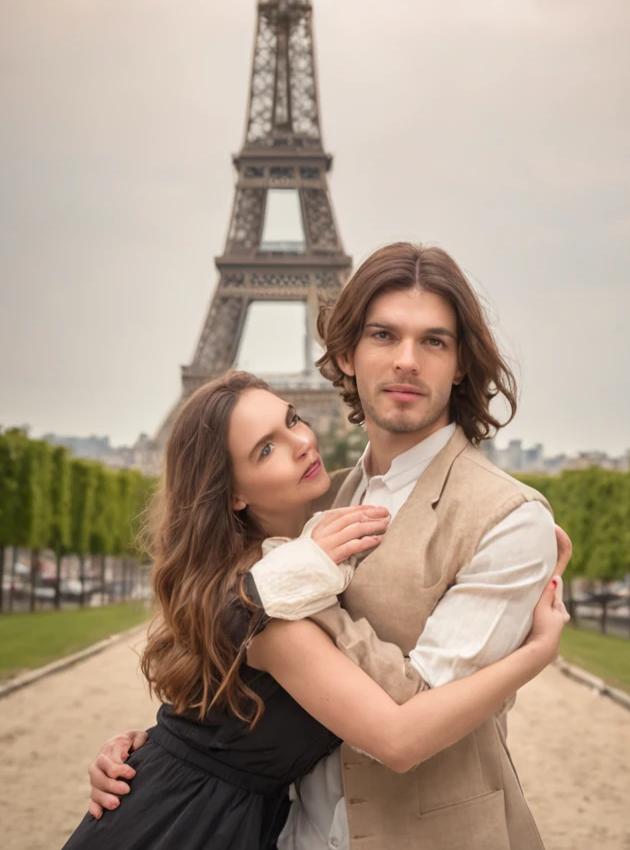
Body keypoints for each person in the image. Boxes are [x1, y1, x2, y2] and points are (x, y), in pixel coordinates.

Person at [89, 242, 571, 849]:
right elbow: (243, 674)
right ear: (346, 354)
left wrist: (284, 584)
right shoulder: (316, 508)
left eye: (434, 341)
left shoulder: (508, 519)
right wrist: (160, 745)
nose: (407, 361)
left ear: (460, 364)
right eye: (384, 336)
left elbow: (411, 716)